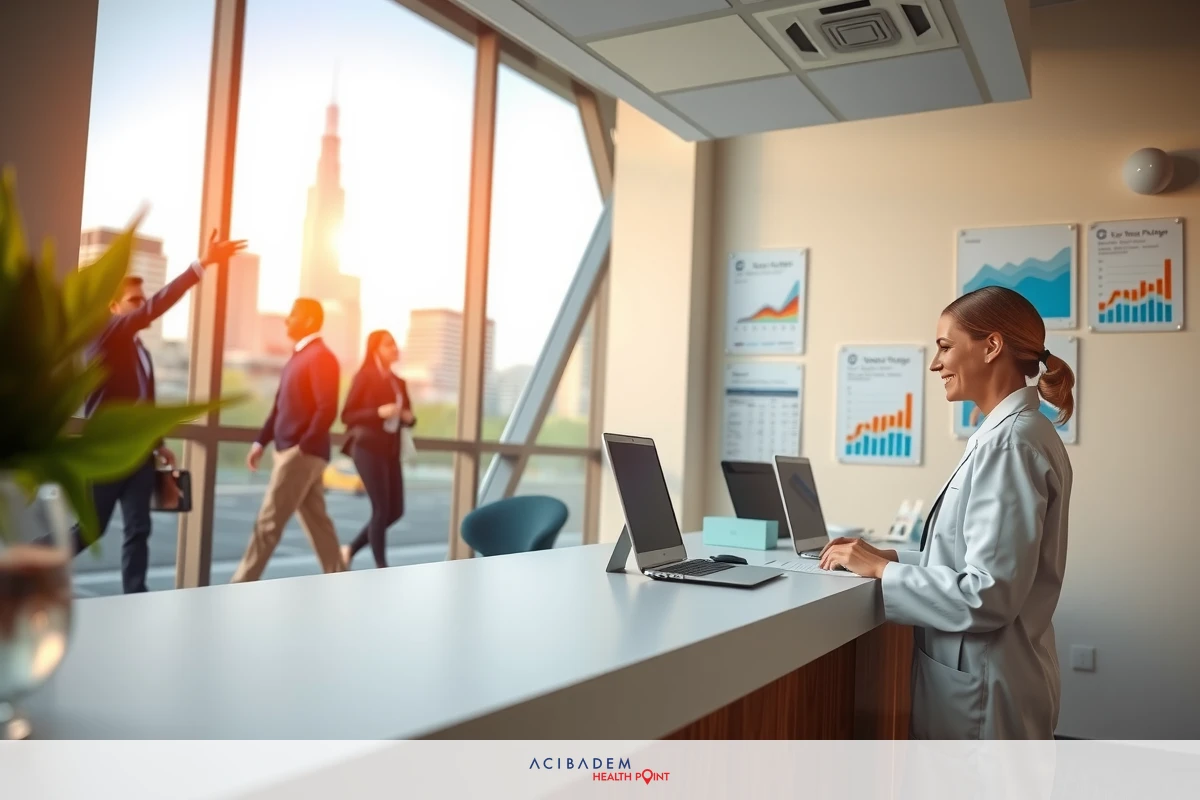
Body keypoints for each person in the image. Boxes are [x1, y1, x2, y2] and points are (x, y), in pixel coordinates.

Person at [820, 286, 1075, 739]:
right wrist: (895, 559)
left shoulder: (1010, 442)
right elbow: (977, 559)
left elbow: (987, 594)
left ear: (992, 346)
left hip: (985, 691)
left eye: (944, 346)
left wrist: (880, 570)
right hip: (988, 680)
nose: (935, 364)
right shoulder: (1007, 433)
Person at [72, 230, 247, 593]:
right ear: (114, 307)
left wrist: (159, 443)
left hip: (139, 456)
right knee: (91, 530)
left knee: (140, 528)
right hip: (108, 455)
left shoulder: (142, 353)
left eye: (142, 298)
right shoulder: (104, 335)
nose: (143, 304)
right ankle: (22, 571)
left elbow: (144, 407)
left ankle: (135, 595)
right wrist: (201, 265)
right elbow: (158, 307)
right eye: (135, 300)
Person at [230, 298, 344, 581]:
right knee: (318, 522)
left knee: (268, 523)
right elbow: (280, 407)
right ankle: (341, 580)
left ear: (307, 320)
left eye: (292, 316)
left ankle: (238, 586)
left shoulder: (321, 357)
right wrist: (260, 442)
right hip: (293, 450)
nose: (286, 321)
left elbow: (326, 408)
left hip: (300, 454)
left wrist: (301, 447)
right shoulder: (299, 356)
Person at [338, 330, 416, 569]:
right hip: (367, 449)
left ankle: (350, 548)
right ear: (375, 350)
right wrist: (377, 413)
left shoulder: (398, 382)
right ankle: (381, 566)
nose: (395, 348)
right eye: (388, 345)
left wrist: (407, 417)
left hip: (390, 450)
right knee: (381, 508)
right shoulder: (364, 377)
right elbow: (347, 415)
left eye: (394, 344)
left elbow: (410, 418)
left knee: (396, 510)